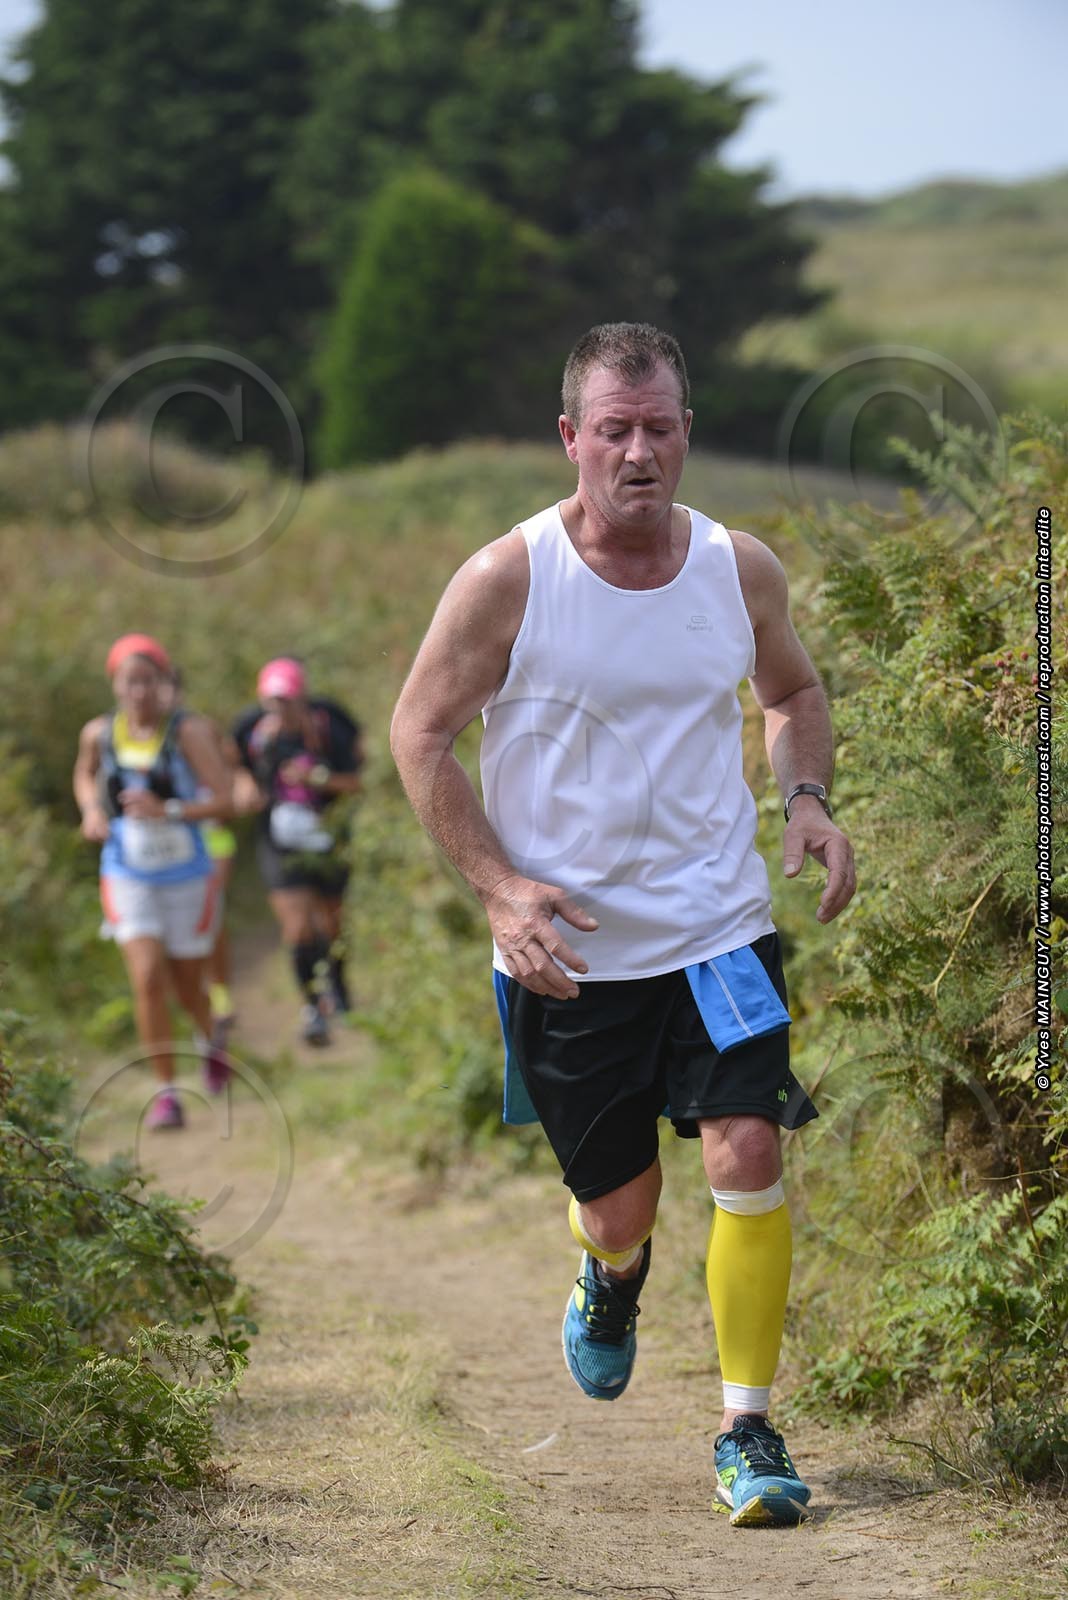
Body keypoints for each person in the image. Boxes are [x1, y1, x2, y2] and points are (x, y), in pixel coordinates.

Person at [390, 322, 856, 1528]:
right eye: (614, 430)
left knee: (749, 1149)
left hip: (717, 927)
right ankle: (611, 1273)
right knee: (620, 1208)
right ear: (571, 438)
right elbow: (419, 733)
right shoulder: (510, 577)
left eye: (658, 428)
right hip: (570, 951)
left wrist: (807, 798)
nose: (638, 453)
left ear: (687, 432)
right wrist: (499, 886)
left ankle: (748, 1429)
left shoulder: (738, 569)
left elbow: (792, 690)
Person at [73, 634, 236, 1130]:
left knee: (188, 988)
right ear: (115, 684)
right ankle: (167, 1094)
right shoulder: (99, 733)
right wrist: (91, 810)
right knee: (146, 978)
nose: (140, 692)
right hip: (128, 873)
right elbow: (84, 774)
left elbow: (226, 800)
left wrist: (168, 810)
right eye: (131, 682)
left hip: (187, 877)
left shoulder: (188, 732)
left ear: (163, 683)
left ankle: (210, 1039)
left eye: (148, 681)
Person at [231, 658, 363, 1046]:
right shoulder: (252, 731)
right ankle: (312, 1006)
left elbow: (357, 782)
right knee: (297, 927)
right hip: (279, 843)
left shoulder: (329, 727)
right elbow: (233, 763)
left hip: (328, 838)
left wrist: (317, 778)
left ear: (302, 696)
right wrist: (243, 784)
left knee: (332, 923)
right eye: (273, 701)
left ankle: (338, 986)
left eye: (287, 700)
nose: (280, 709)